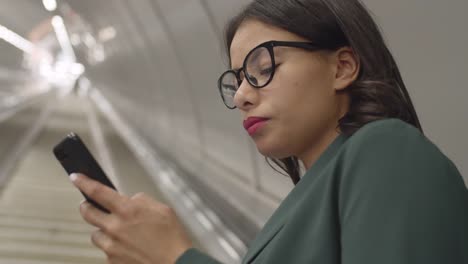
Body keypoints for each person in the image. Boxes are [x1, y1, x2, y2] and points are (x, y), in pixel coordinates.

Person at [69, 0, 468, 263]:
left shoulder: (388, 153)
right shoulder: (310, 198)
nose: (242, 95)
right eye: (237, 80)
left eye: (262, 68)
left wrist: (176, 257)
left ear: (343, 67)